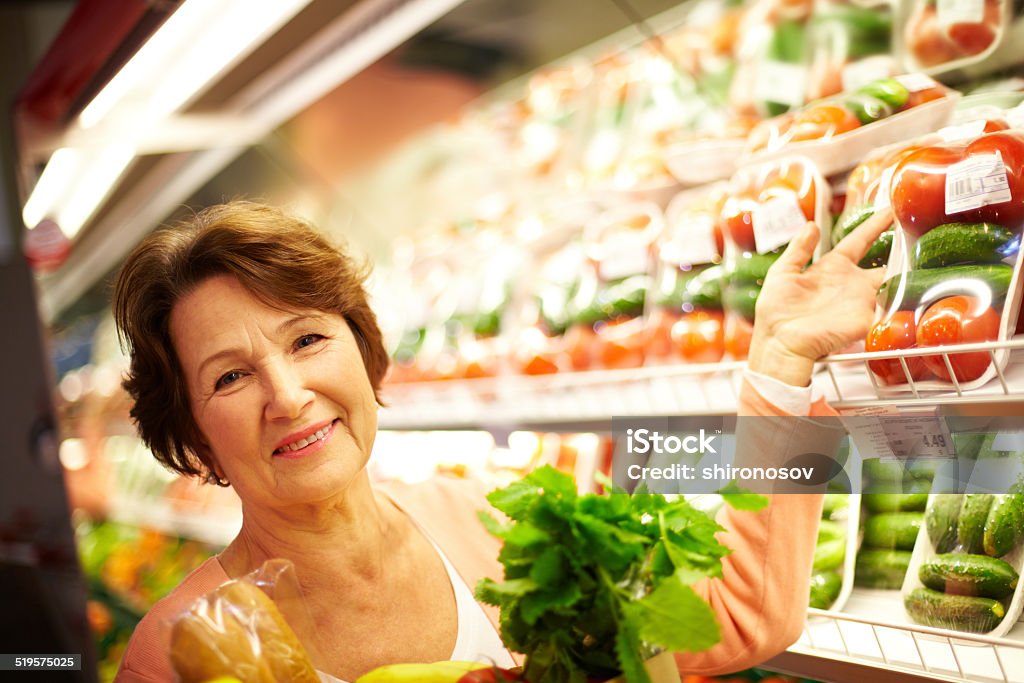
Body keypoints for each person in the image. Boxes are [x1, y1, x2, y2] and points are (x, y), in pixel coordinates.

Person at [113, 201, 892, 682]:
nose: (287, 395)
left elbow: (744, 610)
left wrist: (782, 368)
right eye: (229, 378)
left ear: (364, 348)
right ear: (191, 434)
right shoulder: (178, 654)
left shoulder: (505, 522)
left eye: (308, 338)